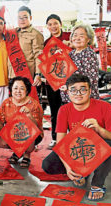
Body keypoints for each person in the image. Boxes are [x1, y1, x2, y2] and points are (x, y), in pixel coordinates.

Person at [42, 74, 111, 201]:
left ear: (90, 91)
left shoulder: (104, 107)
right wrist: (69, 168)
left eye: (83, 89)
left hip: (97, 150)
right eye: (73, 90)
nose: (78, 93)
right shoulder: (63, 110)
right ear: (67, 92)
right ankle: (81, 172)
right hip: (78, 150)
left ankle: (97, 184)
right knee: (48, 165)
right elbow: (60, 143)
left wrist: (99, 129)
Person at [0, 76, 43, 168]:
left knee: (28, 134)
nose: (18, 91)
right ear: (11, 89)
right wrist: (5, 135)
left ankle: (26, 155)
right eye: (15, 88)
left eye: (22, 88)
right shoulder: (6, 103)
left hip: (31, 134)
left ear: (27, 90)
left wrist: (29, 116)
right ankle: (17, 151)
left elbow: (37, 127)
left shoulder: (33, 104)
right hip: (13, 134)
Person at [44, 14, 71, 148]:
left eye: (55, 23)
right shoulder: (46, 42)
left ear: (60, 24)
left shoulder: (69, 36)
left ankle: (71, 137)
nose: (53, 26)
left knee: (70, 110)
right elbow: (45, 62)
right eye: (50, 24)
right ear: (47, 27)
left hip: (69, 81)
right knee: (55, 111)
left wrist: (69, 44)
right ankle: (55, 138)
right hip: (52, 82)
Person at [60, 24, 99, 104]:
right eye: (75, 35)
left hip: (83, 99)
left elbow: (90, 79)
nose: (77, 38)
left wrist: (69, 87)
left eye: (81, 36)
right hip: (70, 97)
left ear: (88, 39)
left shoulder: (89, 53)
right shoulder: (71, 53)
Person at [8, 6, 43, 88]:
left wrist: (38, 74)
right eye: (19, 18)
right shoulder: (13, 32)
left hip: (27, 75)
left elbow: (39, 55)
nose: (22, 20)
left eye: (25, 17)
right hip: (12, 75)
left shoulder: (36, 34)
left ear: (30, 18)